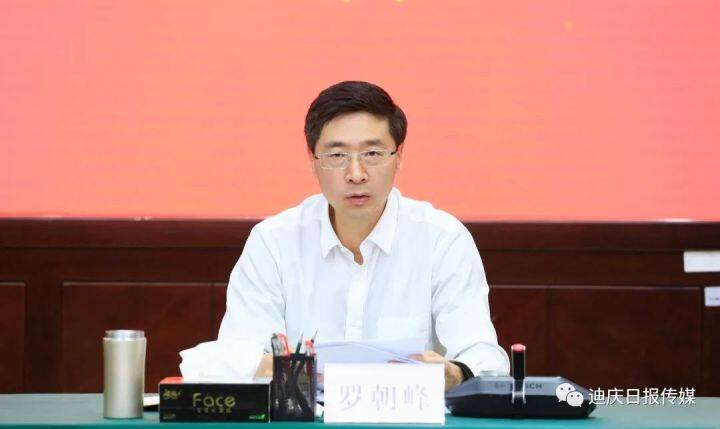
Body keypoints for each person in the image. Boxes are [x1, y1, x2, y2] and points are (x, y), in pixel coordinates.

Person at [218, 81, 509, 390]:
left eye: (372, 153)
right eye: (337, 155)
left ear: (399, 156)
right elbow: (238, 357)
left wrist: (454, 373)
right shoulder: (273, 243)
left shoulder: (443, 240)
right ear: (313, 160)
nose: (356, 174)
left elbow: (484, 358)